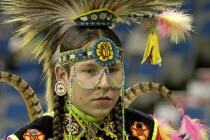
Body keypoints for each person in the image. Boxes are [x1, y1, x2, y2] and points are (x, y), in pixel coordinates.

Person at [1, 0, 208, 140]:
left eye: (113, 69)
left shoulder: (147, 132)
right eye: (90, 71)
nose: (105, 83)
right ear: (62, 76)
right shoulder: (34, 136)